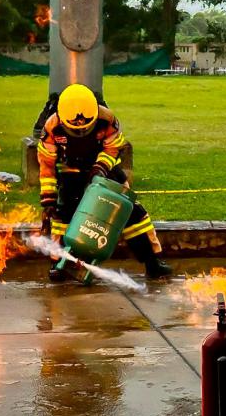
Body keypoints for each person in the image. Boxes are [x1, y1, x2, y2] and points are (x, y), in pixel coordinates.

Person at [38, 83, 171, 280]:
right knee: (63, 217)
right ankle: (60, 264)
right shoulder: (52, 127)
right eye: (76, 129)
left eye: (86, 127)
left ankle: (153, 262)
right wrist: (48, 198)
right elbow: (47, 164)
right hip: (70, 173)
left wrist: (99, 168)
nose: (82, 132)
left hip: (106, 171)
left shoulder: (107, 120)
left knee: (131, 214)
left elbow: (113, 148)